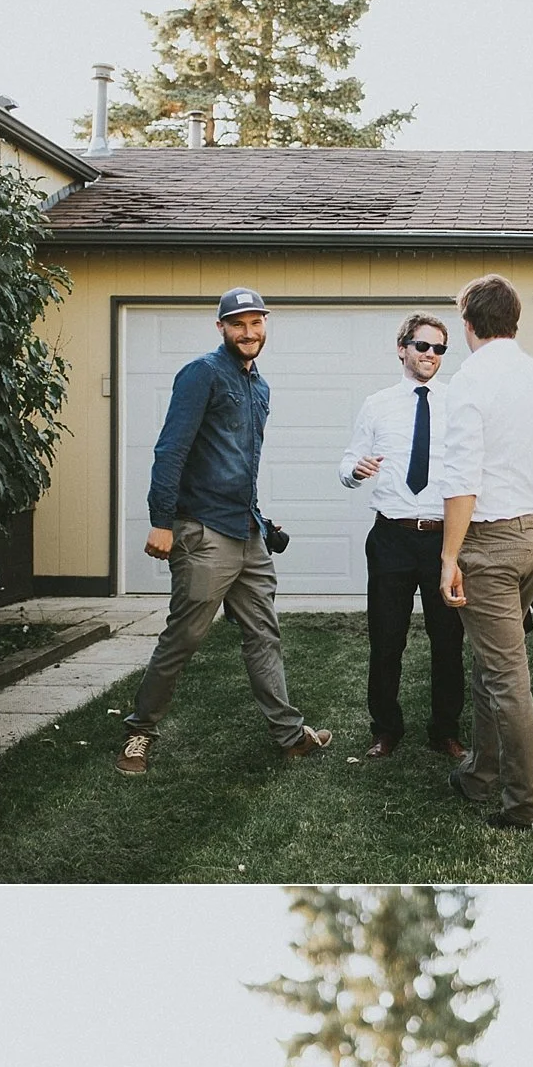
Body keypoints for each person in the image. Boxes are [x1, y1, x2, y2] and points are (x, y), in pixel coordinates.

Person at [114, 286, 331, 774]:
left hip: (245, 532)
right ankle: (139, 733)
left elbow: (237, 462)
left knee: (264, 634)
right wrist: (160, 521)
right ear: (221, 328)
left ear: (265, 326)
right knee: (184, 638)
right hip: (203, 530)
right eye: (238, 324)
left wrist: (259, 516)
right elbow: (171, 449)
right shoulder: (202, 374)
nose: (249, 333)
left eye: (256, 323)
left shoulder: (260, 386)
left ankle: (290, 735)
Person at [440, 275, 533, 831]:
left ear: (469, 324)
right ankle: (481, 773)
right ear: (515, 321)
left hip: (490, 545)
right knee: (494, 660)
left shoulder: (469, 382)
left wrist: (450, 556)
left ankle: (525, 805)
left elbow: (461, 482)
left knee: (506, 674)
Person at [339, 314, 468, 761]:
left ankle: (445, 731)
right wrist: (353, 471)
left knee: (448, 640)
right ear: (402, 349)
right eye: (422, 346)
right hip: (391, 536)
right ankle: (385, 729)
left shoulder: (458, 403)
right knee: (387, 638)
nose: (430, 355)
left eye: (439, 349)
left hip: (442, 541)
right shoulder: (377, 404)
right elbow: (349, 459)